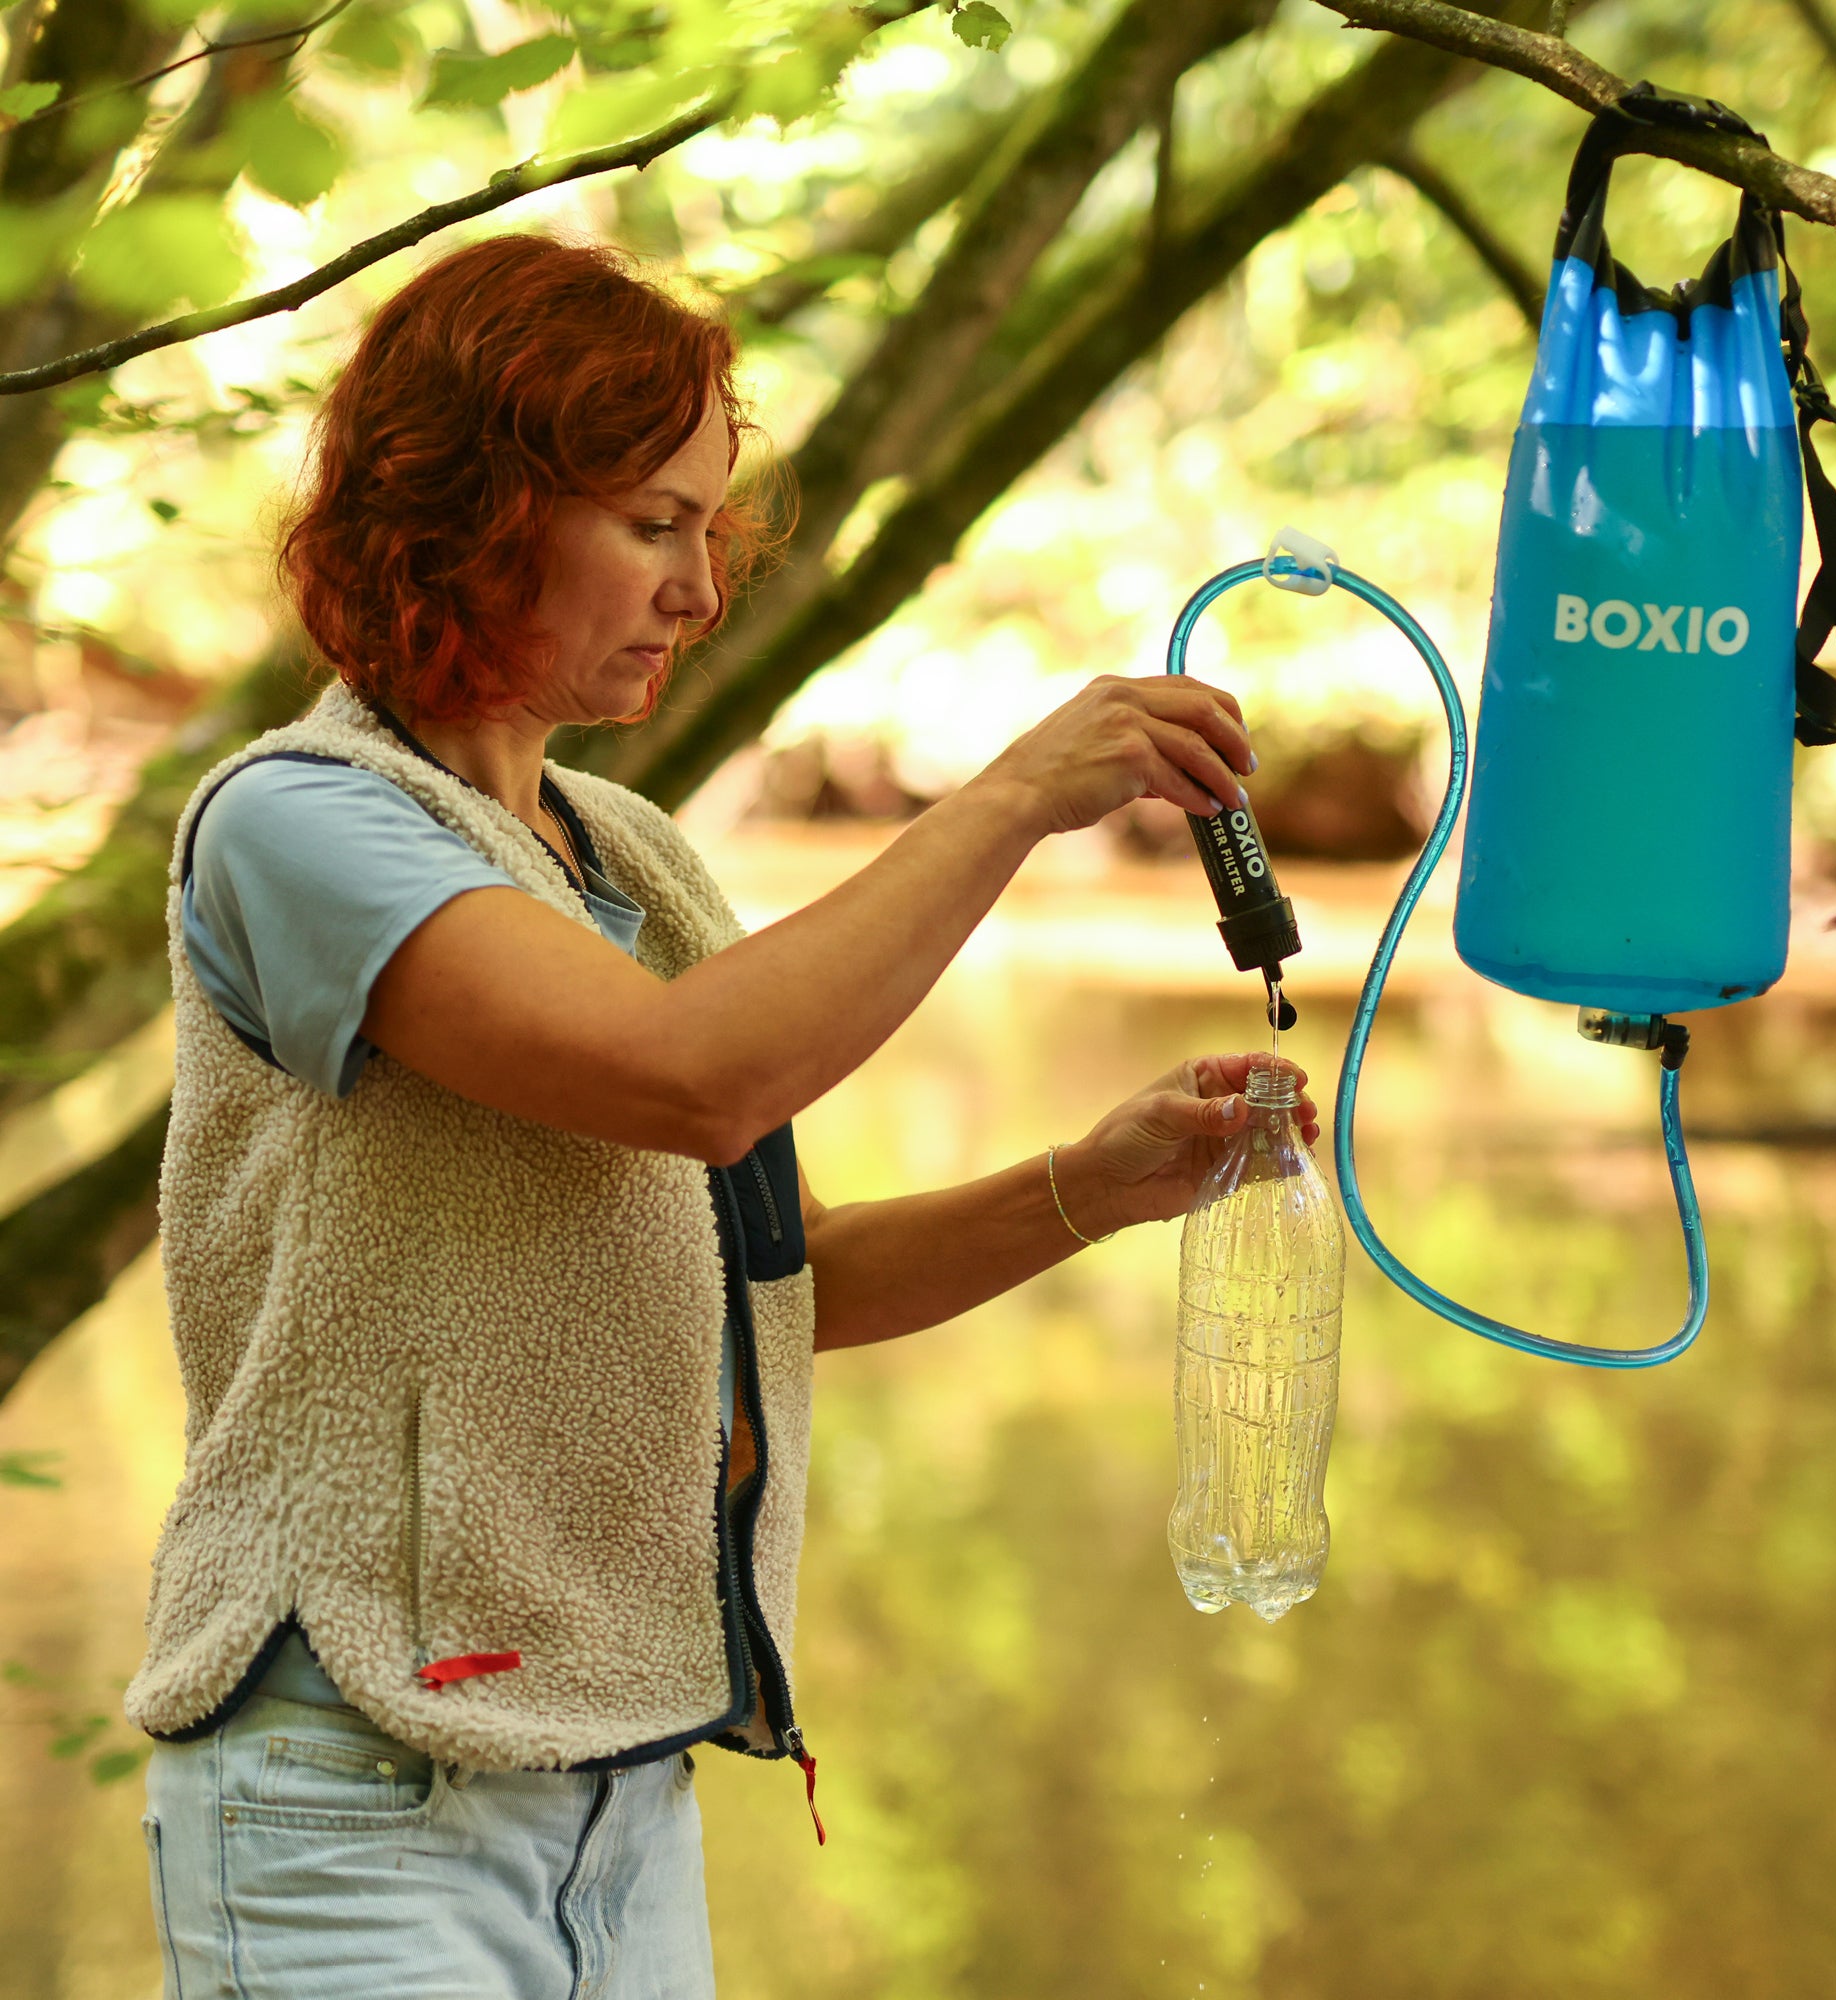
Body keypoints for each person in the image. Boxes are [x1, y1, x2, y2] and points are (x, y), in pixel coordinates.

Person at [131, 233, 1315, 2000]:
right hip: (357, 1793)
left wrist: (1100, 1182)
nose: (700, 588)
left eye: (710, 524)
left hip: (628, 1796)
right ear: (468, 511)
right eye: (650, 523)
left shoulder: (638, 859)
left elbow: (785, 1276)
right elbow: (691, 1082)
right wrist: (1012, 801)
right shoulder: (299, 824)